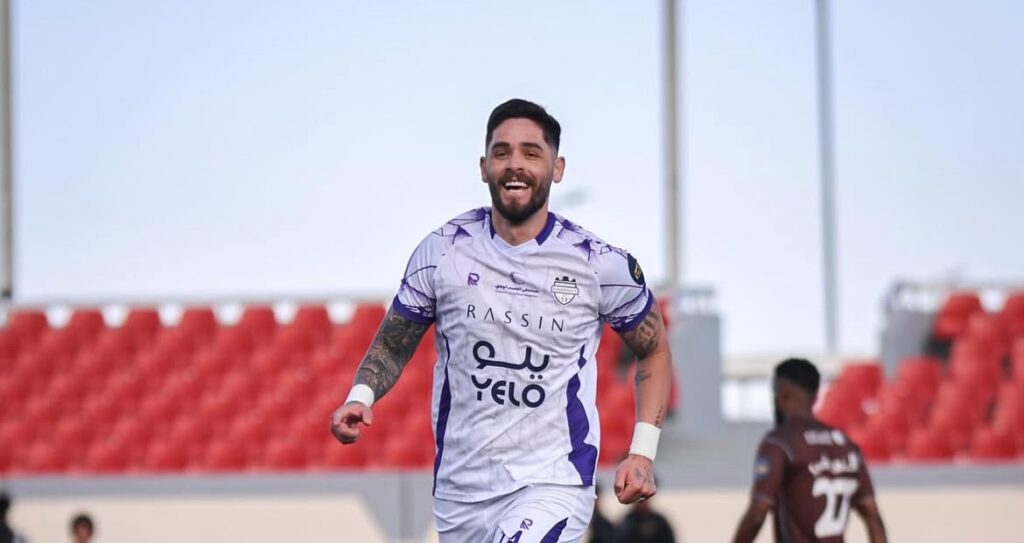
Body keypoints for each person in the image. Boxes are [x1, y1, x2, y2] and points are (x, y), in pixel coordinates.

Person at [331, 98, 673, 542]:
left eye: (531, 153)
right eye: (502, 152)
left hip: (553, 483)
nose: (515, 164)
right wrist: (361, 395)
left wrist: (642, 452)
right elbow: (395, 343)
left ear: (557, 168)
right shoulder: (443, 251)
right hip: (459, 492)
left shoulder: (598, 264)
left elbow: (654, 348)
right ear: (483, 167)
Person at [732, 359, 888, 543]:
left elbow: (757, 514)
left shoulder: (780, 442)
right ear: (815, 397)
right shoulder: (846, 445)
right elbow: (873, 517)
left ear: (783, 394)